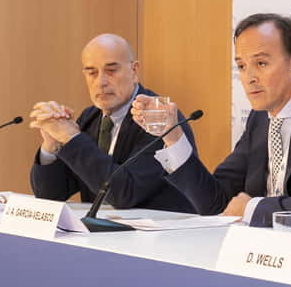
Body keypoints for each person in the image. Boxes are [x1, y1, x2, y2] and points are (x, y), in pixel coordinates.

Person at [133, 13, 291, 236]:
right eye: (241, 66)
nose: (249, 78)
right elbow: (216, 203)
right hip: (278, 255)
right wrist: (173, 137)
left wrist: (250, 208)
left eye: (261, 63)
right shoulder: (260, 119)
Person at [29, 33, 196, 212]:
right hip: (102, 228)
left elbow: (125, 194)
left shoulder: (159, 118)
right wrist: (52, 146)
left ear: (134, 71)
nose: (100, 82)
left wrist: (72, 137)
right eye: (92, 72)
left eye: (111, 71)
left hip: (162, 228)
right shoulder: (90, 117)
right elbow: (50, 194)